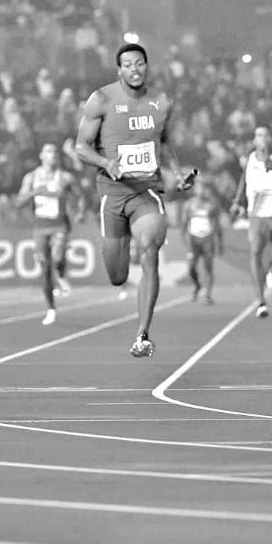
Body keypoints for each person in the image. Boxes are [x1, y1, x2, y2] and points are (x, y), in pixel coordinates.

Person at [74, 43, 193, 358]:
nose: (134, 69)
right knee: (117, 276)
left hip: (146, 191)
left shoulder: (162, 102)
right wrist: (106, 163)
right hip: (113, 193)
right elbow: (81, 147)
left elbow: (165, 142)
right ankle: (122, 240)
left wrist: (177, 174)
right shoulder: (101, 100)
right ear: (119, 70)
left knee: (150, 250)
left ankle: (142, 334)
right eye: (128, 64)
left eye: (139, 63)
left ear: (146, 66)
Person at [229, 125, 272, 318]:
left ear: (271, 139)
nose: (260, 138)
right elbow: (243, 182)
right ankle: (261, 302)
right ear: (254, 140)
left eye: (264, 135)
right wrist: (237, 202)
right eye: (257, 135)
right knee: (255, 253)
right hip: (257, 216)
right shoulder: (250, 159)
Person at [15, 142, 82, 326]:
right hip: (40, 227)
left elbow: (79, 195)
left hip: (60, 226)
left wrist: (79, 211)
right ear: (41, 156)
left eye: (54, 152)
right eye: (48, 151)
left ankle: (60, 274)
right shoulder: (31, 177)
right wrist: (35, 192)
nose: (52, 154)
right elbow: (19, 201)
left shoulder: (65, 177)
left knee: (57, 258)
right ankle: (51, 308)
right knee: (44, 267)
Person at [179, 175, 224, 305]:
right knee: (191, 267)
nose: (202, 191)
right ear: (195, 189)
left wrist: (220, 242)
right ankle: (197, 285)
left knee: (208, 266)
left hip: (208, 238)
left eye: (204, 188)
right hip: (193, 239)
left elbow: (217, 224)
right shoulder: (189, 205)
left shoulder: (212, 204)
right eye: (199, 188)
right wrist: (184, 239)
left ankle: (207, 294)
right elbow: (184, 223)